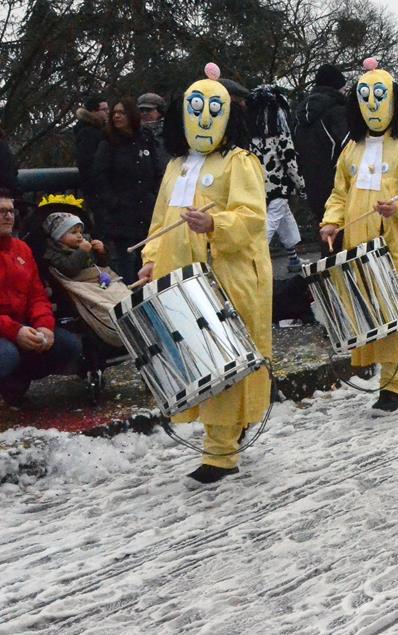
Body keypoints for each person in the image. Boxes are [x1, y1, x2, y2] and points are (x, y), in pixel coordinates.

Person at [138, 63, 272, 488]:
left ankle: (220, 451)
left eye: (214, 111)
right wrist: (152, 258)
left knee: (223, 358)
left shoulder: (240, 162)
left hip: (227, 275)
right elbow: (161, 220)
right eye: (196, 111)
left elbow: (252, 217)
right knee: (198, 359)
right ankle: (226, 434)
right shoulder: (176, 165)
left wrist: (216, 224)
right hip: (181, 277)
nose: (204, 120)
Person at [319, 58, 398, 415]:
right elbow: (339, 193)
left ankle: (394, 386)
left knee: (397, 313)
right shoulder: (351, 149)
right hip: (359, 245)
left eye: (379, 97)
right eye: (365, 98)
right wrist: (331, 221)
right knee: (373, 312)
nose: (372, 106)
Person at [0, 192, 84, 405]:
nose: (8, 216)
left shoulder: (22, 248)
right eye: (1, 212)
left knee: (68, 345)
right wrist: (15, 331)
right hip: (7, 330)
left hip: (22, 326)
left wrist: (44, 326)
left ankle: (15, 381)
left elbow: (37, 295)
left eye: (11, 211)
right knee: (6, 355)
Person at [92, 97, 162, 284]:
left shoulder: (146, 139)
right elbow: (100, 176)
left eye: (122, 113)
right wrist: (113, 202)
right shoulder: (108, 143)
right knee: (126, 265)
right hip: (121, 215)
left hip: (146, 211)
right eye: (114, 113)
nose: (117, 116)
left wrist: (154, 196)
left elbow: (157, 169)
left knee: (147, 259)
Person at [246, 85, 307, 273]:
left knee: (285, 219)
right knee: (272, 222)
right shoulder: (281, 136)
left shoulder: (250, 138)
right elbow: (290, 163)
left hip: (256, 186)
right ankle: (252, 259)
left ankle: (294, 258)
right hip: (278, 186)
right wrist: (302, 186)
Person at [295, 64, 351, 226]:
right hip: (337, 186)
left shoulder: (300, 115)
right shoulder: (338, 112)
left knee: (324, 229)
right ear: (337, 87)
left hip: (311, 183)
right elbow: (349, 147)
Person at [42, 211, 109, 279]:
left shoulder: (87, 241)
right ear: (59, 237)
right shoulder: (54, 253)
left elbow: (102, 264)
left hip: (97, 276)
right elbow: (70, 270)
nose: (79, 235)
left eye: (80, 232)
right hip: (76, 282)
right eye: (74, 232)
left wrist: (101, 251)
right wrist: (82, 251)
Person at [73, 95, 108, 199]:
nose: (108, 112)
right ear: (93, 111)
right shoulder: (88, 133)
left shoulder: (97, 130)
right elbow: (87, 162)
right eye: (104, 109)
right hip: (97, 190)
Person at [138, 92, 167, 163]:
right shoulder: (135, 132)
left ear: (159, 111)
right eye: (141, 110)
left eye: (148, 110)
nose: (144, 113)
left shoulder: (169, 132)